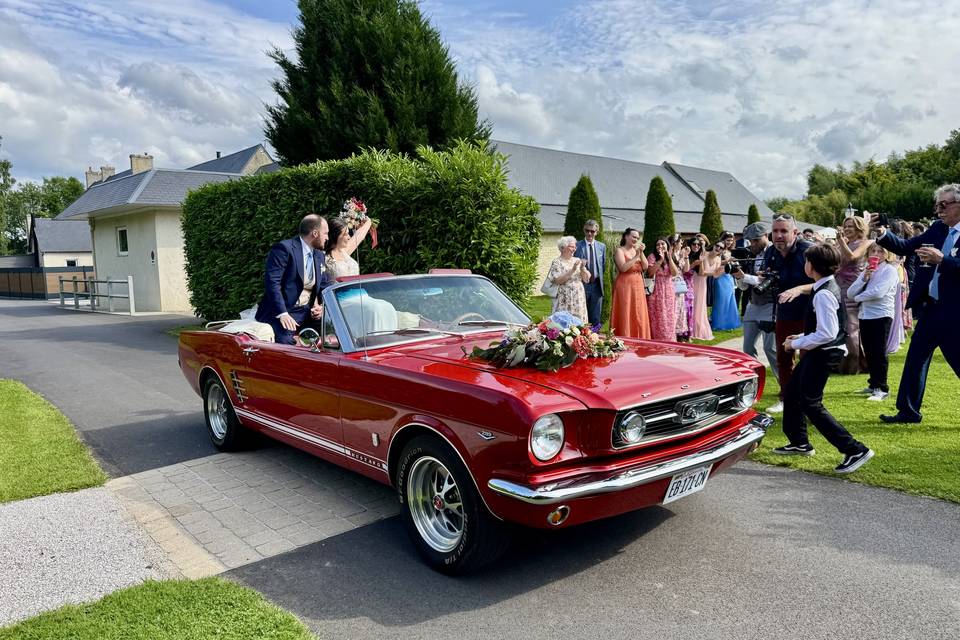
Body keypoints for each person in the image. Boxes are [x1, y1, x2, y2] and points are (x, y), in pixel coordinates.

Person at [773, 243, 874, 474]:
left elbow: (827, 333)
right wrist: (800, 336)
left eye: (807, 261)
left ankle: (854, 449)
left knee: (811, 403)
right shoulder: (825, 286)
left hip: (826, 352)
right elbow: (826, 328)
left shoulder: (824, 293)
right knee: (792, 393)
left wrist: (795, 343)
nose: (804, 264)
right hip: (823, 349)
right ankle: (800, 443)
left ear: (811, 266)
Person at [871, 183, 960, 424]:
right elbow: (905, 246)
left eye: (944, 205)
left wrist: (943, 260)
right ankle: (908, 411)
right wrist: (882, 233)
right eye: (937, 205)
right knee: (915, 359)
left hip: (956, 313)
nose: (939, 210)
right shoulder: (938, 229)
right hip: (932, 308)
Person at [255, 214, 333, 345]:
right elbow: (272, 283)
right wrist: (283, 313)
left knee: (336, 333)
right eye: (325, 233)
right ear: (315, 233)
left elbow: (325, 286)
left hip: (307, 312)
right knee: (287, 342)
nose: (327, 238)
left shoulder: (319, 255)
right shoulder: (284, 249)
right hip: (282, 311)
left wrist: (322, 307)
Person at [767, 214, 815, 414]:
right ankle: (786, 398)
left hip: (809, 313)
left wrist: (799, 289)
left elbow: (825, 282)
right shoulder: (771, 252)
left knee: (807, 359)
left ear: (795, 232)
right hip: (784, 312)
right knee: (784, 358)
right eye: (775, 231)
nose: (778, 235)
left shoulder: (809, 251)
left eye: (783, 231)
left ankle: (807, 400)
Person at [847, 243, 900, 401]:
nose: (876, 254)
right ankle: (873, 383)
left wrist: (857, 298)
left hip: (881, 314)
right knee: (869, 351)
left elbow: (878, 292)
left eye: (880, 251)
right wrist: (864, 278)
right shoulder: (867, 270)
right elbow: (850, 292)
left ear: (886, 254)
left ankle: (882, 388)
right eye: (873, 251)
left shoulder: (889, 270)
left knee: (879, 352)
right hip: (865, 314)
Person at [732, 222, 778, 384]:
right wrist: (738, 276)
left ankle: (785, 386)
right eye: (751, 241)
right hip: (753, 304)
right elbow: (744, 286)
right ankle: (753, 383)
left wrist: (744, 277)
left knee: (770, 348)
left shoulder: (775, 253)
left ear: (766, 236)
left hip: (772, 304)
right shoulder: (751, 255)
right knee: (748, 348)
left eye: (756, 240)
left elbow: (765, 280)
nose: (753, 244)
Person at [834, 216, 872, 374]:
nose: (847, 229)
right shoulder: (843, 242)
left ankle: (854, 364)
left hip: (853, 288)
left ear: (859, 228)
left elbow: (852, 257)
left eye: (851, 226)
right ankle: (842, 361)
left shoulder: (866, 242)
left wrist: (840, 242)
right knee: (840, 325)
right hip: (837, 287)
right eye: (846, 226)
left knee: (852, 326)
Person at [610, 228, 651, 339]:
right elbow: (623, 268)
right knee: (626, 310)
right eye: (633, 237)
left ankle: (639, 337)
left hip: (638, 284)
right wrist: (636, 256)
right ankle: (624, 336)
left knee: (638, 311)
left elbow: (645, 266)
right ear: (626, 237)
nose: (636, 239)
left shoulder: (637, 251)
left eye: (637, 238)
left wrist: (641, 253)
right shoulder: (620, 250)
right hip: (625, 285)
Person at [547, 235, 590, 322]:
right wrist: (573, 270)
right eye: (571, 247)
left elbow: (587, 279)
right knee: (563, 322)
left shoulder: (576, 260)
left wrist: (582, 268)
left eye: (575, 247)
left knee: (579, 322)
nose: (574, 249)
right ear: (563, 248)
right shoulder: (557, 262)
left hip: (578, 297)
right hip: (564, 297)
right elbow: (558, 280)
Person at [574, 219, 606, 327]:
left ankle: (595, 339)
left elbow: (603, 266)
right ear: (584, 230)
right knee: (581, 315)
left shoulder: (602, 247)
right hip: (582, 284)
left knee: (596, 317)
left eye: (592, 231)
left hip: (597, 285)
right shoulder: (577, 246)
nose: (589, 233)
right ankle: (581, 340)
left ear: (597, 232)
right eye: (587, 230)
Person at [647, 237, 679, 341]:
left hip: (668, 289)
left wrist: (669, 258)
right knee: (657, 315)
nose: (660, 246)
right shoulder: (652, 257)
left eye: (663, 244)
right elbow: (650, 272)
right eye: (658, 244)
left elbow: (674, 273)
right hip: (656, 288)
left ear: (667, 245)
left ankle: (669, 339)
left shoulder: (671, 256)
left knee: (669, 315)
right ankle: (657, 339)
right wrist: (660, 260)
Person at [325, 215, 373, 280]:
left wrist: (368, 222)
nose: (349, 237)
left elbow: (359, 236)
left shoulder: (344, 251)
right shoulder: (323, 257)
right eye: (345, 234)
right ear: (335, 236)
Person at [690, 235, 716, 341]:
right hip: (688, 281)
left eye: (699, 243)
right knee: (689, 305)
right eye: (695, 243)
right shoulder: (688, 254)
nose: (697, 245)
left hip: (699, 281)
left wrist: (700, 262)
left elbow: (702, 273)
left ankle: (697, 329)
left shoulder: (703, 254)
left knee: (698, 305)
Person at [710, 241, 741, 331]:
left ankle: (731, 322)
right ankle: (719, 323)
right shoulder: (718, 252)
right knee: (721, 300)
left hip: (729, 277)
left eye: (731, 240)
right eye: (727, 240)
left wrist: (735, 264)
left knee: (730, 300)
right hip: (720, 277)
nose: (729, 242)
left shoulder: (730, 252)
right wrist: (727, 261)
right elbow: (716, 263)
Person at [672, 235, 692, 341]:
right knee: (673, 307)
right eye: (680, 242)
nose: (681, 245)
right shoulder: (670, 254)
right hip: (671, 281)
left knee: (680, 308)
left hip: (679, 282)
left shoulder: (681, 254)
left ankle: (679, 332)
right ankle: (672, 331)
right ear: (675, 243)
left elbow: (686, 269)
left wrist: (686, 256)